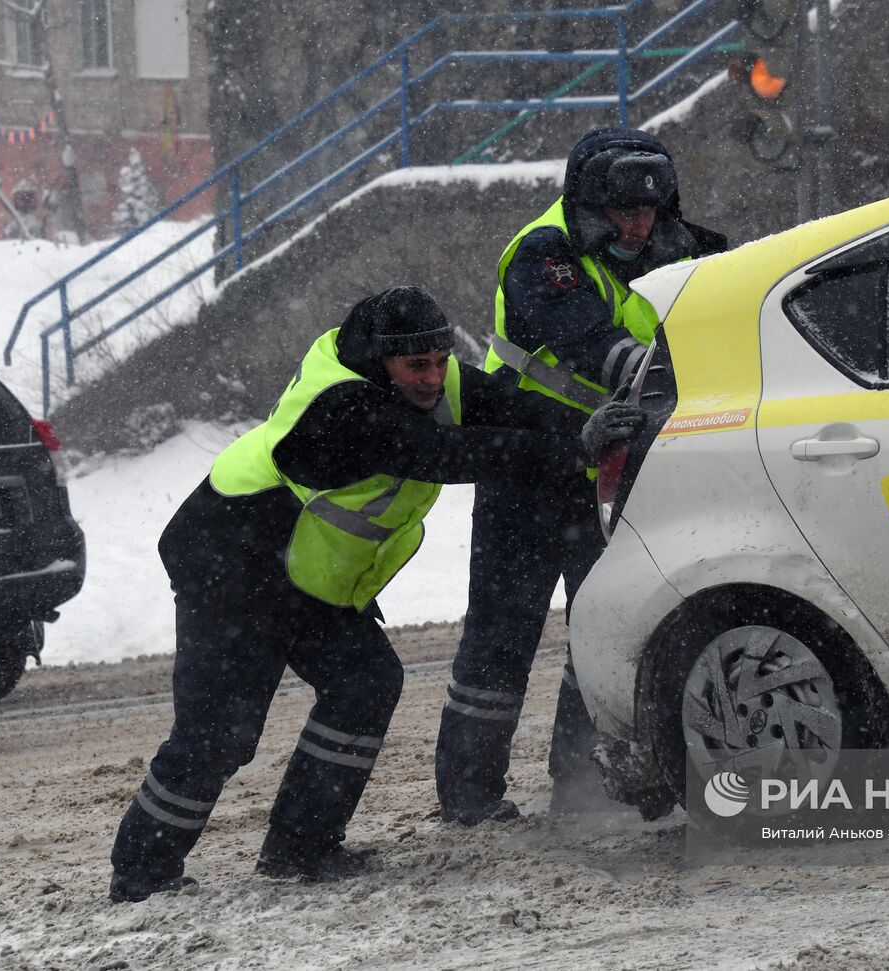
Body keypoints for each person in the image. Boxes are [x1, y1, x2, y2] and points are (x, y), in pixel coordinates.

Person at [108, 287, 643, 902]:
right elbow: (447, 453)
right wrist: (576, 450)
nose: (434, 378)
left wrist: (593, 429)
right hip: (230, 564)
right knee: (220, 733)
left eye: (441, 361)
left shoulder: (423, 379)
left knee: (364, 681)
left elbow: (510, 405)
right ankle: (142, 874)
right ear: (380, 360)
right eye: (417, 367)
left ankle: (300, 851)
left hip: (300, 571)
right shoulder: (346, 407)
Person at [434, 128, 727, 826]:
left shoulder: (678, 244)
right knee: (502, 633)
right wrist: (665, 370)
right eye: (624, 212)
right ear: (589, 205)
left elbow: (731, 276)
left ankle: (581, 782)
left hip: (611, 467)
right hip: (530, 464)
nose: (639, 225)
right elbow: (594, 341)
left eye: (650, 212)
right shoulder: (543, 255)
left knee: (603, 627)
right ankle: (469, 797)